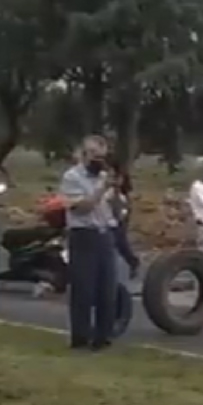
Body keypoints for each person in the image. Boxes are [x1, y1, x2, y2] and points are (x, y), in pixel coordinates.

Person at [59, 135, 119, 351]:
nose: (99, 161)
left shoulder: (104, 176)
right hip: (83, 235)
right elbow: (81, 207)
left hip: (104, 234)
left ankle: (103, 337)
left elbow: (113, 209)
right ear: (84, 155)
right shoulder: (72, 177)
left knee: (107, 289)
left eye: (102, 157)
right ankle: (81, 338)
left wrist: (117, 190)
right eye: (94, 156)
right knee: (84, 289)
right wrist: (101, 189)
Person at [106, 157, 140, 279]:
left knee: (119, 241)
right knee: (117, 242)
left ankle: (132, 262)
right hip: (110, 215)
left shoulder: (117, 182)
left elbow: (122, 197)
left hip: (119, 213)